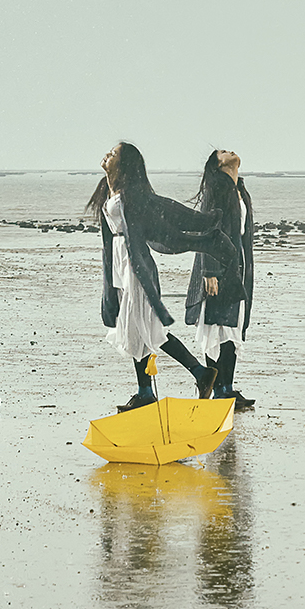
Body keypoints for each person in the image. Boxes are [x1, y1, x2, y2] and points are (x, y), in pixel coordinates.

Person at [89, 141, 241, 412]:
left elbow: (168, 215)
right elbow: (107, 239)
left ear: (124, 165)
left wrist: (203, 226)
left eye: (113, 154)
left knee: (149, 329)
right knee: (135, 331)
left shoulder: (133, 194)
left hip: (136, 267)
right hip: (119, 266)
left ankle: (197, 373)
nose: (107, 155)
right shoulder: (107, 191)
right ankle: (147, 391)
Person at [186, 149, 256, 408]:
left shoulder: (240, 190)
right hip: (218, 266)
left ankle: (227, 387)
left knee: (233, 327)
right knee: (216, 326)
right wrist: (210, 271)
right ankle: (217, 390)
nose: (230, 151)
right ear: (217, 165)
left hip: (237, 266)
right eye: (223, 152)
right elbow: (207, 228)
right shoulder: (215, 187)